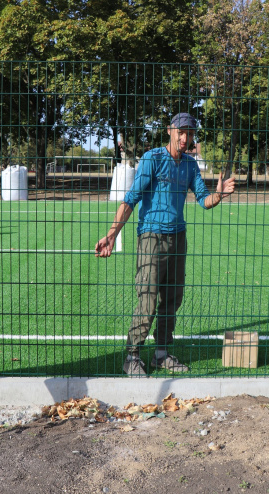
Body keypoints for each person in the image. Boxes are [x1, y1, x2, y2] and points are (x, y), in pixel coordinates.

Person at [95, 113, 235, 377]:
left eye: (190, 134)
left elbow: (204, 201)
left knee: (172, 299)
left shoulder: (191, 165)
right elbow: (131, 199)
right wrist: (112, 234)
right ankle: (132, 356)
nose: (185, 139)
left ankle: (161, 354)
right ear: (170, 130)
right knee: (147, 300)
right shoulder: (153, 159)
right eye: (181, 132)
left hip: (178, 238)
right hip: (151, 237)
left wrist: (220, 194)